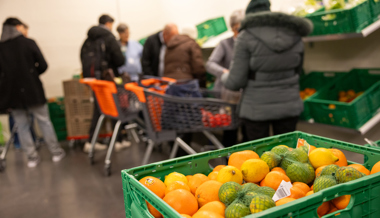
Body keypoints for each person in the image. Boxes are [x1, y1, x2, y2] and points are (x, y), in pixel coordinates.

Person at [222, 0, 313, 141]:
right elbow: (298, 71)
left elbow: (235, 82)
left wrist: (224, 76)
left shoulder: (245, 37)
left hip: (256, 109)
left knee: (259, 158)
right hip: (289, 105)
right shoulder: (294, 34)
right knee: (287, 155)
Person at [0, 17, 65, 167]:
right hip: (33, 91)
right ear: (17, 27)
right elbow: (43, 65)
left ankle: (31, 158)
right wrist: (31, 74)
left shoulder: (1, 48)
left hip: (13, 95)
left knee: (22, 125)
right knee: (44, 122)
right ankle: (55, 152)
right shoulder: (28, 43)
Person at [80, 14, 128, 152]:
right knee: (115, 107)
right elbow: (119, 59)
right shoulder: (109, 37)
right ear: (108, 24)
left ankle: (90, 142)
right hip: (107, 80)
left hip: (94, 81)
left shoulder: (88, 40)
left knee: (98, 109)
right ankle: (118, 140)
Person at [206, 10, 245, 147]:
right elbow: (210, 64)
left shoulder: (249, 43)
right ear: (232, 28)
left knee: (247, 130)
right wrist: (225, 73)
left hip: (245, 95)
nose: (240, 32)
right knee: (230, 130)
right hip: (228, 95)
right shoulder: (225, 44)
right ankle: (228, 161)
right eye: (237, 29)